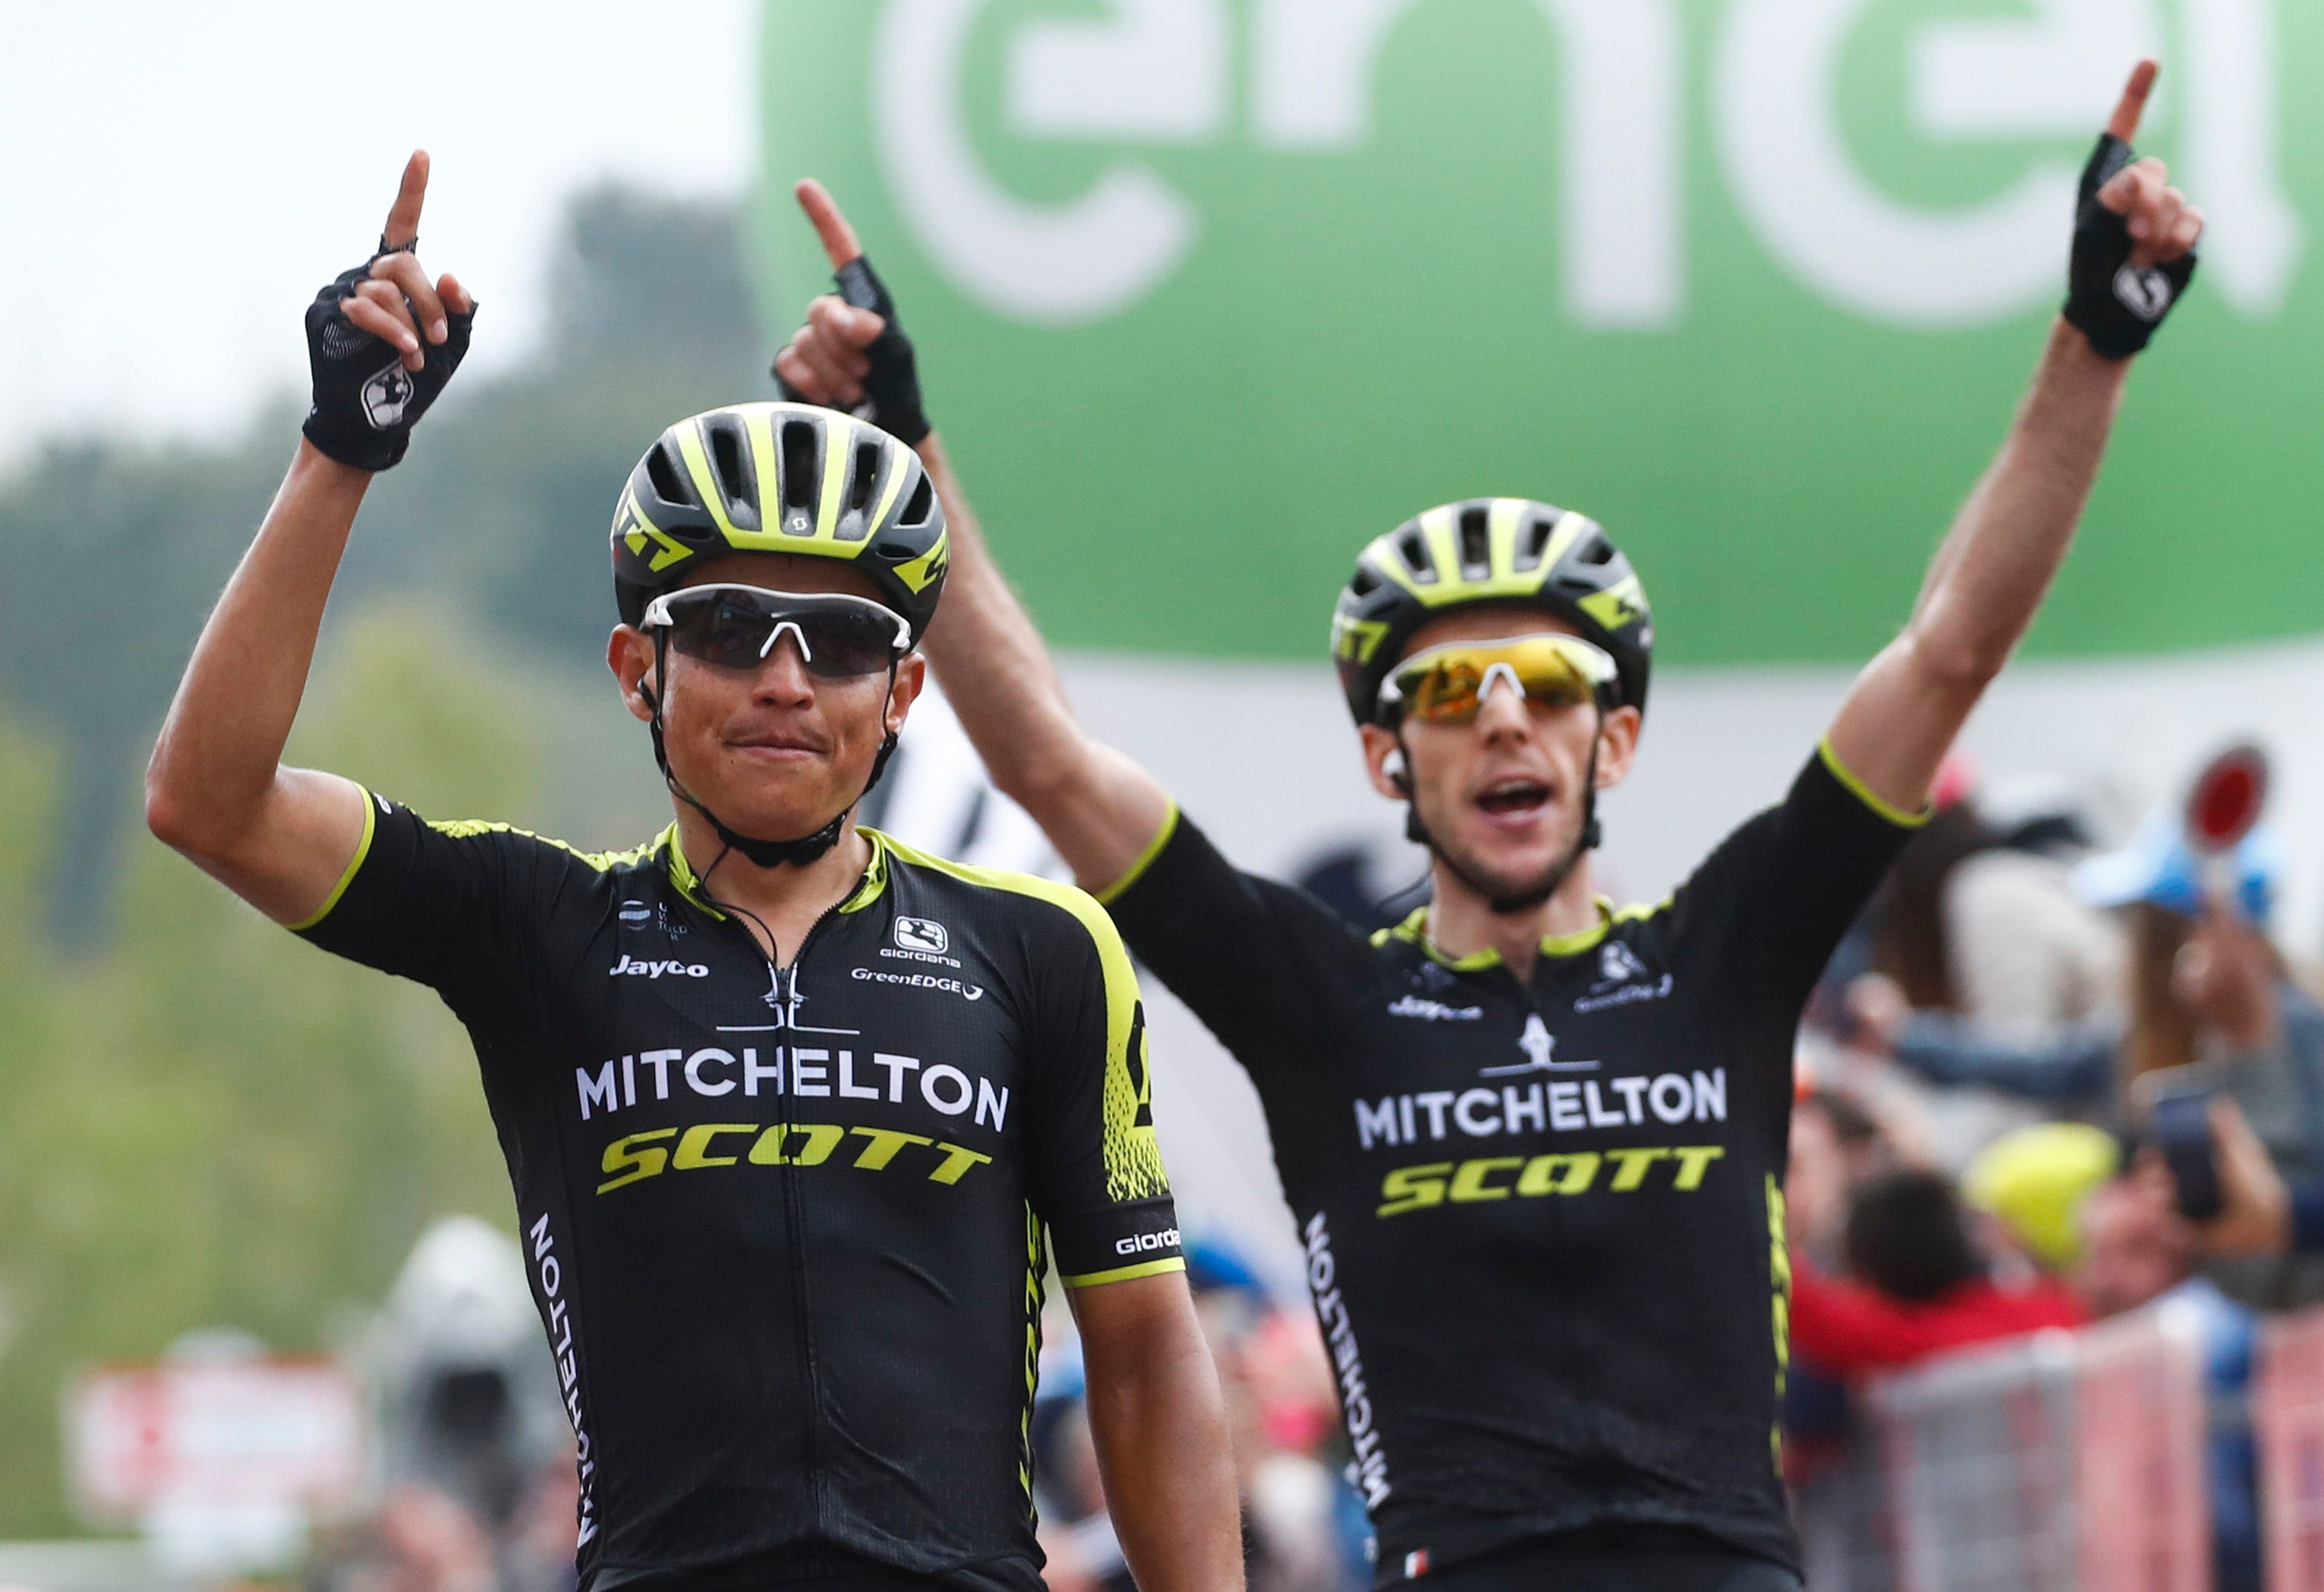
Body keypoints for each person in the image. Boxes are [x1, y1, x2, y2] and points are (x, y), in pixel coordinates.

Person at [772, 62, 2202, 1592]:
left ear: (1617, 737)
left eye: (1550, 683)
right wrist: (905, 444)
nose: (1506, 715)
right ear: (1391, 758)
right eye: (1452, 688)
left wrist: (2092, 342)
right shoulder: (1325, 999)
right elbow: (1049, 762)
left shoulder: (1725, 952)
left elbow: (1947, 650)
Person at [143, 154, 1243, 1592]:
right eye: (727, 627)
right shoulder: (540, 926)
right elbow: (209, 803)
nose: (785, 679)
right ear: (635, 672)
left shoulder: (1037, 948)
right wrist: (339, 451)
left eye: (840, 642)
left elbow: (1149, 1354)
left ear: (901, 694)